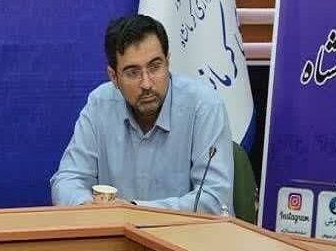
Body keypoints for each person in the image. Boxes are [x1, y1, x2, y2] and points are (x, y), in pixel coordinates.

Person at [50, 14, 234, 214]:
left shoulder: (204, 107)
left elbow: (215, 199)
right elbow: (67, 180)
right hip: (116, 232)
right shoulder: (99, 105)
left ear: (168, 62)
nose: (146, 83)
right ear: (114, 77)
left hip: (186, 232)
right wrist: (87, 208)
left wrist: (133, 211)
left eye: (155, 67)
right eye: (133, 72)